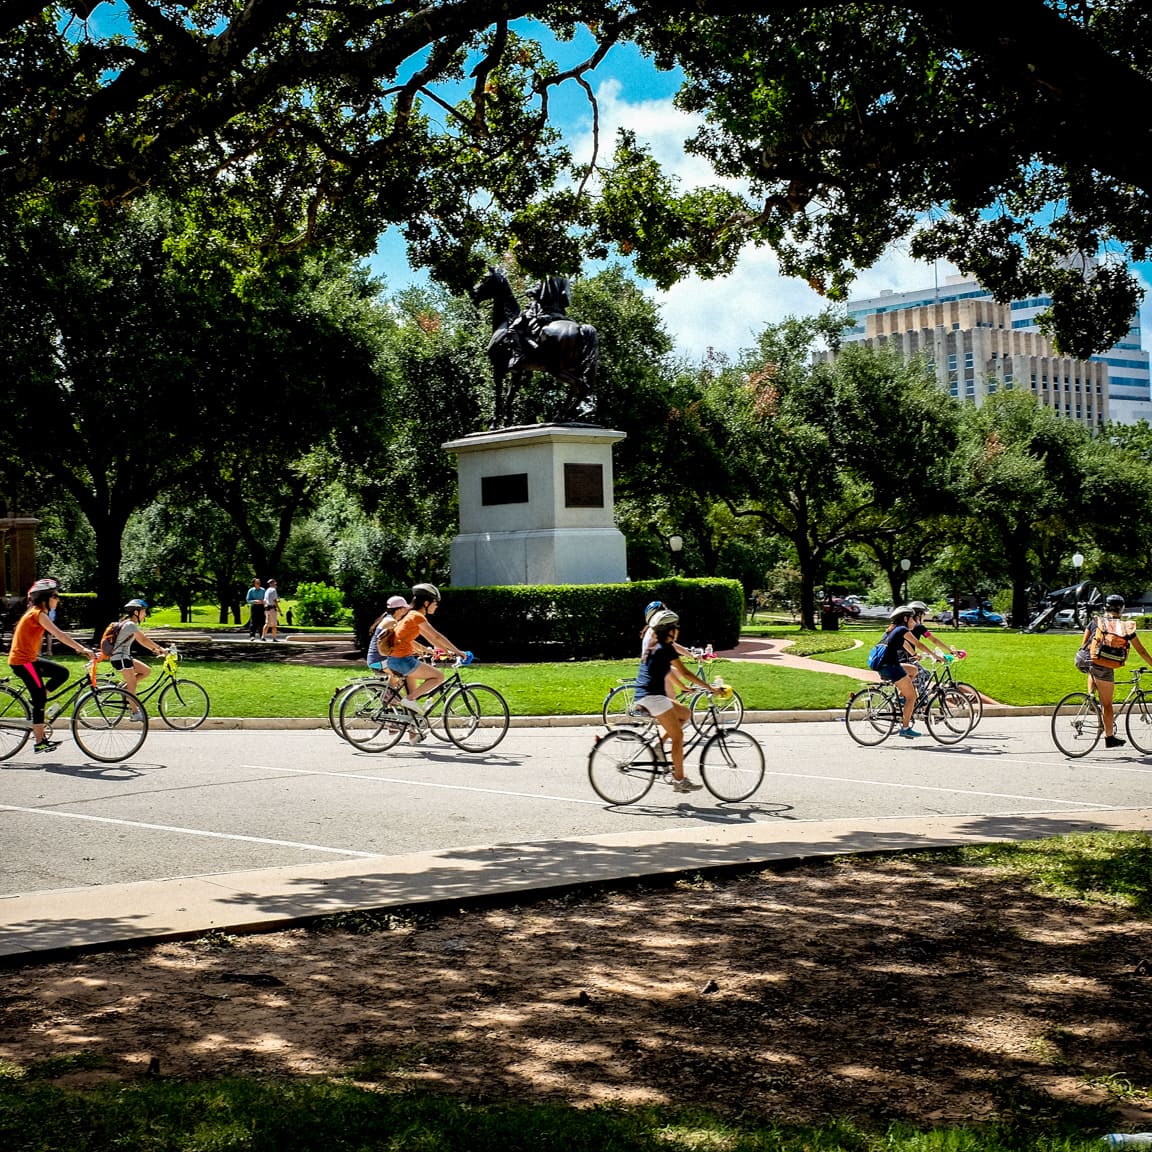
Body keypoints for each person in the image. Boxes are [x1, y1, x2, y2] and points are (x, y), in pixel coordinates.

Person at [7, 579, 96, 754]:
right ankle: (40, 742)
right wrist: (82, 648)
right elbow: (59, 635)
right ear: (45, 598)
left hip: (29, 659)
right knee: (40, 698)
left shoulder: (38, 613)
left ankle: (38, 700)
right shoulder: (38, 614)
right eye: (55, 596)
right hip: (22, 662)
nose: (58, 599)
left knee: (62, 673)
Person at [633, 609, 717, 793]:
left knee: (686, 713)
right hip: (653, 697)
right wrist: (711, 688)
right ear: (669, 631)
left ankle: (658, 745)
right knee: (678, 736)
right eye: (675, 627)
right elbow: (686, 672)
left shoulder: (656, 646)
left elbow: (668, 671)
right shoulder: (665, 648)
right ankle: (679, 780)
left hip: (650, 695)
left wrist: (683, 687)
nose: (678, 630)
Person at [1080, 594, 1152, 749]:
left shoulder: (1095, 621)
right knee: (1107, 705)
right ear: (1122, 608)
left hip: (1083, 660)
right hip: (1103, 666)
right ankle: (1109, 737)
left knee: (1093, 668)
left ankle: (1090, 697)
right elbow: (1141, 651)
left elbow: (1084, 644)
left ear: (1105, 607)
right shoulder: (1125, 626)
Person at [385, 583, 471, 714]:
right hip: (403, 660)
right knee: (438, 676)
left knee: (422, 686)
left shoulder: (411, 615)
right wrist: (459, 652)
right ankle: (409, 699)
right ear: (426, 603)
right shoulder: (417, 616)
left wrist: (445, 651)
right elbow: (436, 636)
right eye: (435, 602)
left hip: (396, 660)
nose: (437, 605)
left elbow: (431, 638)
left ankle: (414, 726)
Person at [105, 600, 169, 718]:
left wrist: (156, 650)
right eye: (143, 611)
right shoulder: (130, 625)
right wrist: (162, 649)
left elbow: (142, 641)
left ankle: (124, 690)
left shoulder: (128, 624)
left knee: (146, 671)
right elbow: (143, 640)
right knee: (132, 684)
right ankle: (135, 713)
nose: (145, 614)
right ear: (136, 612)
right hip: (121, 658)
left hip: (124, 657)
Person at [875, 606, 923, 738]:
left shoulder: (891, 630)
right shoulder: (902, 629)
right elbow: (918, 643)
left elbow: (904, 644)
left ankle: (900, 697)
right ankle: (905, 728)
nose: (914, 620)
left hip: (885, 665)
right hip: (891, 667)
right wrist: (937, 657)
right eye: (912, 617)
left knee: (913, 670)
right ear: (905, 618)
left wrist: (914, 654)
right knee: (912, 697)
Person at [366, 596, 412, 673]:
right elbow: (404, 639)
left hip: (376, 659)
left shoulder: (388, 619)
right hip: (380, 660)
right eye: (404, 608)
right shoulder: (391, 622)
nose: (406, 611)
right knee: (409, 671)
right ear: (399, 609)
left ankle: (393, 685)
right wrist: (424, 649)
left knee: (400, 679)